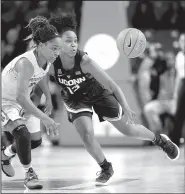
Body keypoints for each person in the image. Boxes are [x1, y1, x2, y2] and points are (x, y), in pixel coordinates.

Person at [48, 12, 180, 185]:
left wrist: (125, 106)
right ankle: (105, 168)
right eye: (68, 41)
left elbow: (112, 85)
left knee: (128, 130)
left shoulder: (84, 60)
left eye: (75, 41)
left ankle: (160, 140)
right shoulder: (51, 60)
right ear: (58, 42)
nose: (73, 44)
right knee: (86, 135)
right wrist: (48, 100)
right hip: (74, 98)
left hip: (98, 93)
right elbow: (42, 76)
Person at [1, 16, 61, 189]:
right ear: (41, 45)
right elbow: (20, 97)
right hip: (5, 100)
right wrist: (45, 118)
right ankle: (29, 174)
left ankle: (4, 154)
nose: (57, 52)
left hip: (21, 99)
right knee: (22, 133)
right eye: (53, 48)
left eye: (58, 49)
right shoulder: (25, 63)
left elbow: (41, 77)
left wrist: (48, 97)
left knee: (34, 141)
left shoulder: (46, 60)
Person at [170, 33, 185, 146]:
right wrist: (175, 93)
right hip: (182, 84)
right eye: (181, 40)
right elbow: (178, 76)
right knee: (179, 114)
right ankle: (175, 143)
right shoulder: (179, 55)